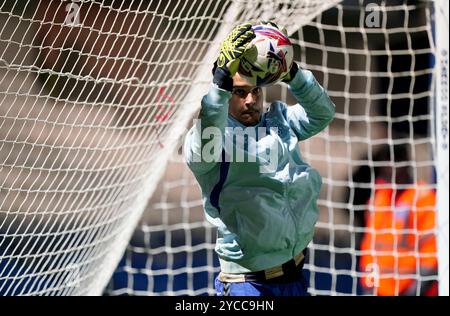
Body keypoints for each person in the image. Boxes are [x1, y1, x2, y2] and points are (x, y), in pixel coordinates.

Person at [183, 22, 335, 296]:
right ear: (226, 93)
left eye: (256, 91)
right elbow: (200, 155)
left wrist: (293, 74)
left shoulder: (279, 121)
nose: (250, 99)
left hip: (294, 275)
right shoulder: (215, 137)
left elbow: (322, 114)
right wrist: (219, 83)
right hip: (247, 284)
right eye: (240, 92)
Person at [359, 143, 438, 296]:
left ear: (406, 165)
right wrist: (369, 287)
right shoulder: (379, 198)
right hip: (380, 291)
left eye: (393, 165)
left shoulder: (423, 199)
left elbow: (431, 260)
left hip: (413, 291)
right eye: (385, 165)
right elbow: (369, 248)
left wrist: (412, 293)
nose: (389, 172)